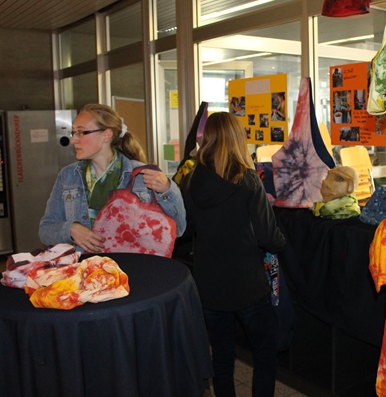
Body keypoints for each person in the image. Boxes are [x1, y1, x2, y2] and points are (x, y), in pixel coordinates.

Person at [181, 112, 285, 397]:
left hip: (209, 286)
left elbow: (187, 227)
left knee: (222, 355)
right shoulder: (248, 180)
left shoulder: (191, 180)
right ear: (238, 138)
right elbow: (268, 236)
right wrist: (282, 244)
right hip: (248, 284)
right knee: (264, 353)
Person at [39, 104, 186, 253]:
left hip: (133, 264)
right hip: (86, 265)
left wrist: (167, 189)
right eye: (73, 133)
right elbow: (45, 230)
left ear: (107, 135)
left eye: (81, 132)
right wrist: (72, 230)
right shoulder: (69, 176)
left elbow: (178, 230)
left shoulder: (142, 175)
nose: (74, 140)